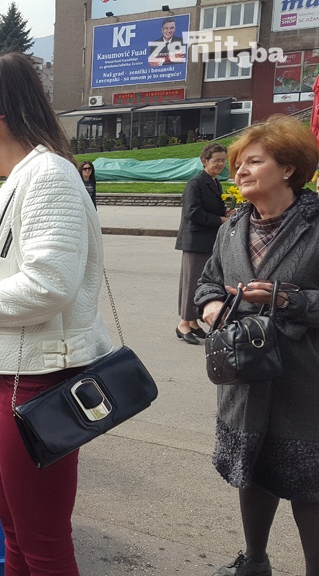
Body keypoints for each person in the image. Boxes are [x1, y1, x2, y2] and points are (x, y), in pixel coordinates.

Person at [0, 52, 111, 576]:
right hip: (12, 379)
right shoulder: (22, 179)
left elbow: (47, 286)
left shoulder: (49, 176)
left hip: (41, 382)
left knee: (43, 540)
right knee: (15, 529)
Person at [195, 115, 319, 576]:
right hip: (243, 372)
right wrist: (210, 309)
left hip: (304, 377)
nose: (240, 171)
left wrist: (287, 298)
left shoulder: (316, 224)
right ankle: (255, 560)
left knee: (310, 482)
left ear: (287, 168)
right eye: (236, 164)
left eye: (253, 162)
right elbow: (208, 283)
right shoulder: (231, 229)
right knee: (253, 465)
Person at [174, 143, 227, 345]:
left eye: (223, 160)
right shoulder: (195, 184)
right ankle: (183, 324)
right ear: (205, 161)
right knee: (192, 282)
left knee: (202, 283)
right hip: (195, 241)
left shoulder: (215, 183)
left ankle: (193, 321)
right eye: (217, 160)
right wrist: (219, 220)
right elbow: (193, 213)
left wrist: (225, 215)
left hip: (209, 241)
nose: (221, 164)